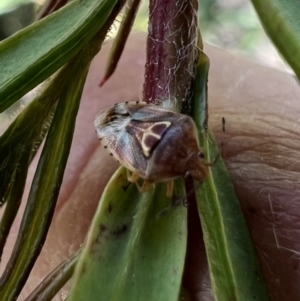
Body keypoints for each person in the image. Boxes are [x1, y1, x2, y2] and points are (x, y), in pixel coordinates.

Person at [10, 33, 300, 300]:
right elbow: (145, 174)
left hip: (142, 124)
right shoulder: (180, 138)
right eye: (198, 159)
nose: (200, 166)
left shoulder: (182, 129)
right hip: (130, 132)